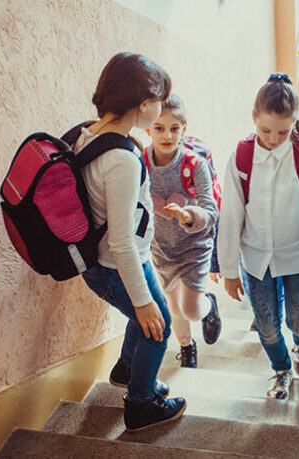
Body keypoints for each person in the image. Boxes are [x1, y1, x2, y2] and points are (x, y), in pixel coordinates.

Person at [74, 52, 185, 432]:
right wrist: (141, 301)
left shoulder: (90, 132)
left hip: (116, 261)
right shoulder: (121, 159)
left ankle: (126, 370)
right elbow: (120, 239)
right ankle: (141, 404)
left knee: (147, 319)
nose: (161, 107)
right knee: (158, 323)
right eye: (159, 100)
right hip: (117, 265)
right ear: (142, 104)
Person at [218, 73, 299, 400]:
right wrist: (228, 270)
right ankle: (280, 370)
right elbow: (231, 215)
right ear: (254, 117)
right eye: (265, 130)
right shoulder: (242, 156)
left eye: (283, 131)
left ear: (295, 122)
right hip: (254, 259)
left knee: (297, 319)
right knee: (266, 324)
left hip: (298, 258)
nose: (274, 138)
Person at [143, 94, 222, 369]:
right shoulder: (140, 163)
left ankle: (209, 305)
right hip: (162, 248)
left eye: (174, 128)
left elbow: (211, 210)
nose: (167, 135)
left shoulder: (193, 164)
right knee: (173, 308)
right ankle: (187, 348)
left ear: (184, 129)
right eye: (159, 128)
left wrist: (189, 215)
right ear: (147, 128)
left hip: (194, 245)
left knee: (190, 308)